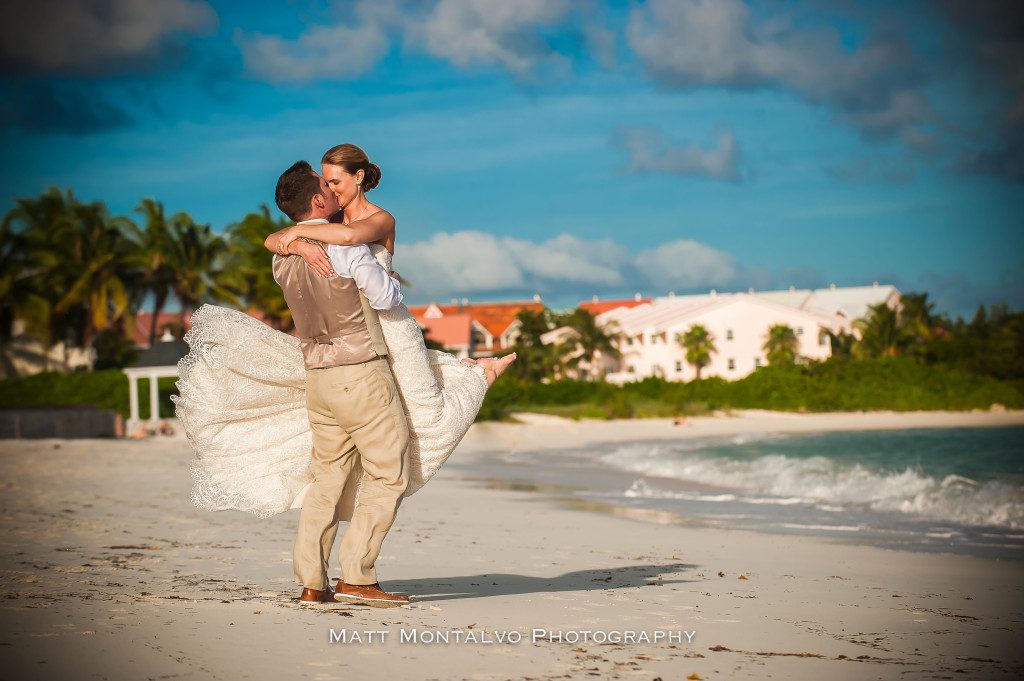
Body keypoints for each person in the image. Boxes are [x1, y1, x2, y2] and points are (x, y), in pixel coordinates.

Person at [172, 145, 516, 600]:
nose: (332, 190)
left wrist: (296, 238)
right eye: (326, 185)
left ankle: (311, 583)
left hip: (318, 376)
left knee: (327, 477)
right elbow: (385, 298)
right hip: (360, 371)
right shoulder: (345, 247)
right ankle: (357, 575)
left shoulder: (283, 257)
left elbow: (282, 240)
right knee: (388, 473)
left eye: (335, 180)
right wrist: (387, 279)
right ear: (319, 199)